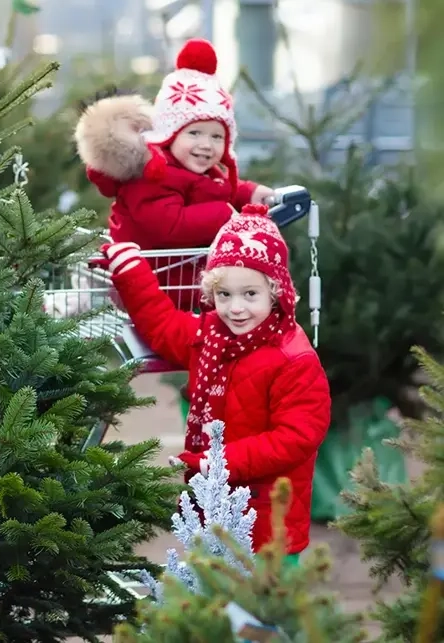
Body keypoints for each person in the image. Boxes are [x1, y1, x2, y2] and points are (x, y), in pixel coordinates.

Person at [101, 203, 330, 563]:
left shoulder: (293, 358)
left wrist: (220, 463)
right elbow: (163, 325)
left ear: (276, 292)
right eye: (224, 295)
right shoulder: (210, 336)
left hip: (268, 523)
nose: (235, 308)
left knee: (263, 598)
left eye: (250, 294)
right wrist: (132, 273)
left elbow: (295, 437)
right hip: (212, 511)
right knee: (211, 592)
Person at [75, 37, 274, 312]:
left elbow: (211, 189)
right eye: (195, 133)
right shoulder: (151, 176)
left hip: (179, 285)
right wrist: (223, 216)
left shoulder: (190, 169)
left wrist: (248, 192)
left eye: (217, 137)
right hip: (152, 288)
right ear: (169, 134)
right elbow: (169, 225)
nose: (206, 144)